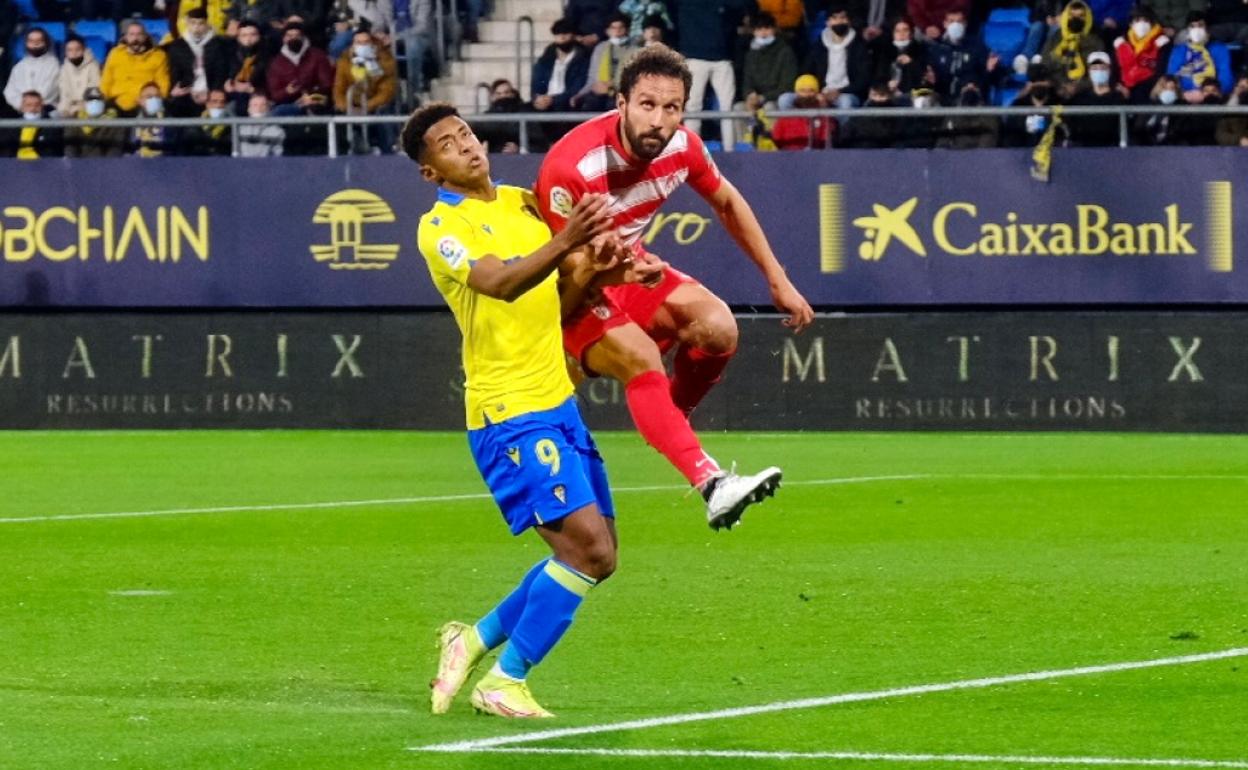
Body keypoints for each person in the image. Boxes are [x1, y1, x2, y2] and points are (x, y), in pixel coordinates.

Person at [404, 102, 652, 719]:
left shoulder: (524, 203)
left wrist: (595, 272)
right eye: (446, 144)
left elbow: (557, 300)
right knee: (587, 552)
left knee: (603, 555)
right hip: (507, 411)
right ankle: (504, 681)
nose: (464, 145)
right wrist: (569, 239)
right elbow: (500, 283)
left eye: (464, 133)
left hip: (557, 402)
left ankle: (475, 637)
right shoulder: (440, 228)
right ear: (431, 172)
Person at [535, 46, 812, 530]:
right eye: (646, 104)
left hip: (627, 269)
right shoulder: (572, 166)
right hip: (568, 290)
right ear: (620, 103)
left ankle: (668, 424)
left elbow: (726, 201)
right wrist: (617, 273)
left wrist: (777, 276)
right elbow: (573, 275)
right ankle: (710, 481)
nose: (659, 120)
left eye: (672, 108)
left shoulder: (682, 146)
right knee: (642, 357)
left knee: (719, 328)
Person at [671, 0, 750, 147]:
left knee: (727, 108)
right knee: (693, 107)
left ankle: (729, 150)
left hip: (722, 59)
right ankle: (691, 150)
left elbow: (740, 6)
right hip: (695, 58)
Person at [333, 27, 397, 152]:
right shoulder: (344, 61)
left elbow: (386, 92)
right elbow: (338, 89)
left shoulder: (386, 60)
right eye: (359, 42)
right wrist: (347, 107)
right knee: (337, 116)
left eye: (366, 42)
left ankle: (387, 153)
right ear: (353, 45)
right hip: (351, 105)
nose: (362, 45)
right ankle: (342, 154)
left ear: (372, 44)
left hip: (374, 105)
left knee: (384, 113)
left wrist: (366, 107)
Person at [797, 5, 872, 110]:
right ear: (827, 22)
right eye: (835, 18)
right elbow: (807, 71)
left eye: (843, 18)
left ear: (849, 21)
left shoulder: (859, 46)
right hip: (820, 92)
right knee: (785, 99)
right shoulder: (819, 46)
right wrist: (815, 92)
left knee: (846, 102)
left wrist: (840, 91)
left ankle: (845, 127)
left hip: (847, 93)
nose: (839, 21)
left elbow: (863, 78)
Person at [167, 7, 233, 117]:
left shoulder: (218, 44)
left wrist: (212, 92)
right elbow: (175, 73)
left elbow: (220, 72)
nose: (196, 27)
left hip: (212, 92)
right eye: (193, 23)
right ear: (187, 23)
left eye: (200, 23)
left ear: (207, 23)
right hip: (187, 93)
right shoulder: (177, 46)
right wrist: (184, 89)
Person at [571, 12, 640, 111]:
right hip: (599, 92)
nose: (617, 31)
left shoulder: (636, 50)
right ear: (608, 31)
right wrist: (579, 95)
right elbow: (592, 78)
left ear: (627, 30)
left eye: (621, 27)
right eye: (613, 28)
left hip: (624, 93)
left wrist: (613, 85)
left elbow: (636, 78)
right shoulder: (600, 48)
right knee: (588, 103)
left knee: (613, 105)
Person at [267, 21, 335, 115]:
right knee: (279, 112)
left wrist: (310, 95)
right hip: (288, 104)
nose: (293, 38)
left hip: (316, 101)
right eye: (289, 36)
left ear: (303, 37)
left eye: (297, 35)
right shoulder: (276, 62)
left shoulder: (317, 55)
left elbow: (327, 84)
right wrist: (287, 91)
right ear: (284, 39)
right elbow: (274, 94)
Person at [101, 22, 170, 114]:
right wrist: (102, 100)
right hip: (117, 102)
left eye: (139, 34)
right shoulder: (115, 54)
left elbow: (163, 84)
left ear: (145, 36)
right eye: (132, 34)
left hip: (144, 103)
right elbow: (106, 81)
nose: (135, 38)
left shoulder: (158, 56)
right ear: (125, 37)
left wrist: (154, 101)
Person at [1041, 0, 1105, 97]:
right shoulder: (1056, 38)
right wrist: (1062, 85)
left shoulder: (1095, 42)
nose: (1076, 19)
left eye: (1081, 16)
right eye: (1072, 15)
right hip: (1057, 89)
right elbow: (1046, 63)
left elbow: (1100, 70)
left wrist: (1079, 86)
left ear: (1087, 17)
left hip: (1086, 92)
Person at [1166, 11, 1233, 101]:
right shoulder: (1179, 50)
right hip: (1185, 97)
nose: (1196, 29)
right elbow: (1172, 75)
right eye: (1192, 26)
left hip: (1213, 96)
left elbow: (1225, 77)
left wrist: (1212, 92)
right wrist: (1188, 93)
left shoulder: (1219, 48)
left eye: (1200, 25)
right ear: (1187, 30)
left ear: (1207, 29)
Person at [1066, 49, 1128, 145]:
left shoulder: (1118, 98)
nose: (1099, 71)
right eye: (1094, 68)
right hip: (1084, 151)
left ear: (1109, 70)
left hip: (1112, 151)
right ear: (1089, 71)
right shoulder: (1080, 98)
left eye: (1103, 68)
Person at [1113, 6, 1170, 101]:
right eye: (1137, 20)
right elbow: (1116, 68)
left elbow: (1161, 70)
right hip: (1126, 88)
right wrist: (1120, 86)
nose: (1141, 24)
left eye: (1145, 20)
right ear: (1131, 24)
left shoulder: (1162, 42)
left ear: (1152, 23)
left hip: (1151, 88)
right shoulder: (1121, 43)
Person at [4, 28, 60, 114]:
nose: (35, 43)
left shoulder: (54, 65)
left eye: (39, 40)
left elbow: (50, 91)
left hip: (46, 112)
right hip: (21, 112)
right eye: (31, 41)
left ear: (46, 43)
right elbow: (10, 92)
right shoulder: (19, 66)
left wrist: (33, 105)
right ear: (26, 43)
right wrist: (23, 105)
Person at [871, 18, 932, 96]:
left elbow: (925, 76)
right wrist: (887, 84)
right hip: (888, 93)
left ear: (911, 33)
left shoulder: (920, 49)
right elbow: (878, 76)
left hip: (914, 93)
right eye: (897, 31)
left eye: (905, 30)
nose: (901, 33)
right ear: (893, 34)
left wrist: (911, 63)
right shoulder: (885, 51)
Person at [64, 86, 128, 157]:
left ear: (104, 102)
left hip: (106, 165)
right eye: (90, 100)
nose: (94, 102)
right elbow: (70, 149)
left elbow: (115, 150)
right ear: (84, 103)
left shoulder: (115, 122)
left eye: (98, 100)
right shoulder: (74, 121)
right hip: (80, 165)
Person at [225, 20, 269, 115]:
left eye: (253, 35)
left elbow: (269, 82)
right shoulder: (231, 55)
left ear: (259, 36)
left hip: (259, 96)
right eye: (244, 35)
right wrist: (228, 84)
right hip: (233, 95)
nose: (248, 39)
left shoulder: (267, 56)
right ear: (238, 38)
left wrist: (252, 88)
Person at [0, 91, 62, 158]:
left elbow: (51, 153)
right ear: (22, 107)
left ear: (42, 106)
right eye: (29, 105)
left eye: (37, 105)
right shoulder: (10, 127)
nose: (33, 109)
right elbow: (6, 152)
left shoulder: (51, 128)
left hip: (41, 165)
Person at [57, 37, 102, 118]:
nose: (74, 53)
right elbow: (64, 93)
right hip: (70, 108)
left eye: (77, 49)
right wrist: (64, 110)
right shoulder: (64, 68)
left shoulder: (93, 66)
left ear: (84, 49)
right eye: (70, 50)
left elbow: (94, 92)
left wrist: (80, 107)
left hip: (88, 108)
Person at [1215, 74, 1248, 145]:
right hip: (1236, 151)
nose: (1243, 91)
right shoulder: (1229, 108)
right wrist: (1239, 140)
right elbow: (1220, 135)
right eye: (1241, 87)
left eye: (1245, 88)